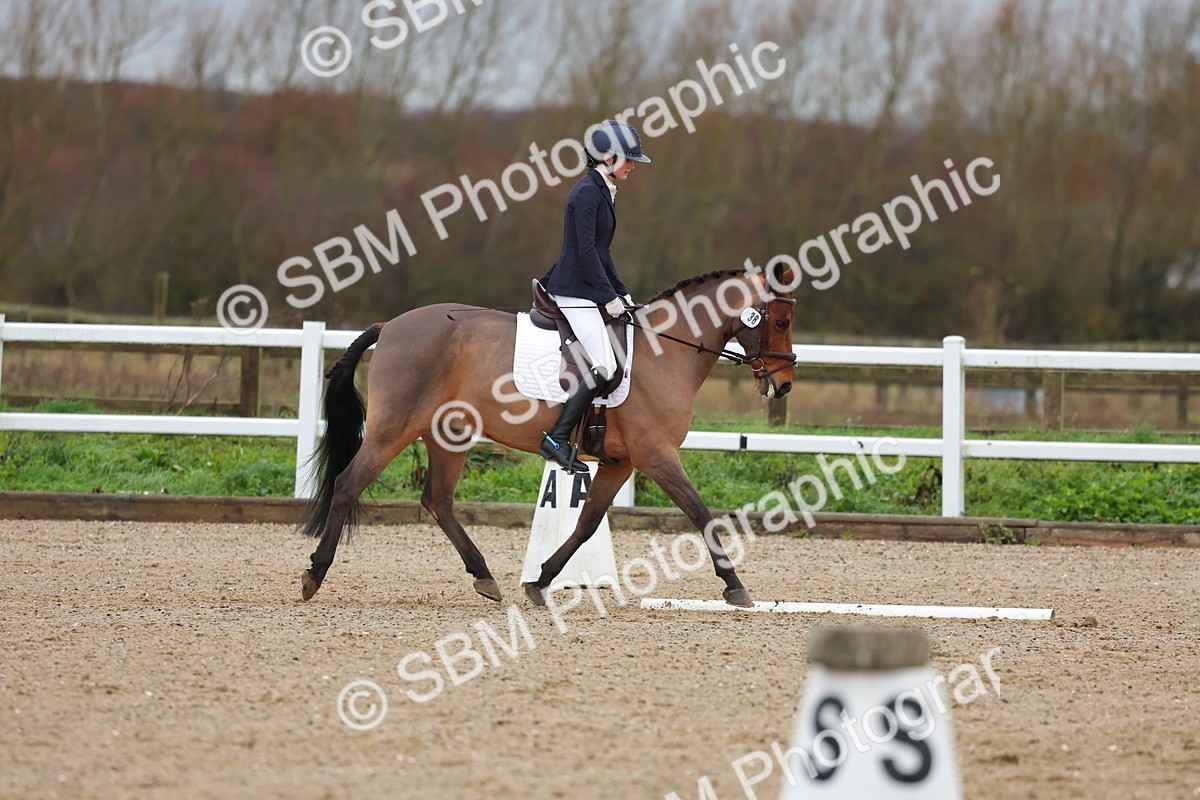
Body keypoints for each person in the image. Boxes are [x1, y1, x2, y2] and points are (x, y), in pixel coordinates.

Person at [537, 119, 651, 471]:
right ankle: (556, 437)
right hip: (573, 292)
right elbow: (585, 251)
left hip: (589, 290)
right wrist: (607, 297)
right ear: (607, 158)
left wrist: (621, 293)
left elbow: (602, 251)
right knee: (604, 365)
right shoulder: (587, 193)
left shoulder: (601, 189)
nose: (632, 165)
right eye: (628, 159)